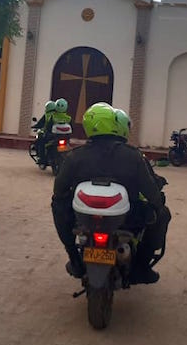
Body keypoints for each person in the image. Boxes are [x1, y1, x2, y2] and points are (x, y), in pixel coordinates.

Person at [51, 103, 170, 284]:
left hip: (84, 218)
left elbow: (59, 189)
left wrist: (64, 202)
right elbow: (149, 190)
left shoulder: (75, 156)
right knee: (162, 214)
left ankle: (74, 257)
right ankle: (142, 266)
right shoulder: (133, 156)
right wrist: (157, 203)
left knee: (57, 204)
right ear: (114, 124)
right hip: (128, 218)